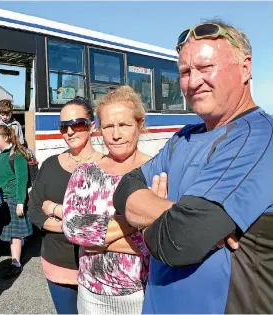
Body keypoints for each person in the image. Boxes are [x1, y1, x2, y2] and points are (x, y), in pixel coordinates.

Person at [113, 20, 273, 314]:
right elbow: (124, 188)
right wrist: (172, 212)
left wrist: (147, 219)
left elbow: (179, 241)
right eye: (185, 72)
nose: (193, 81)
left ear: (246, 68)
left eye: (205, 67)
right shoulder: (183, 138)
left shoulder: (260, 137)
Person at [62, 86, 152, 314]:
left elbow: (161, 241)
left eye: (124, 125)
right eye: (109, 126)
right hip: (91, 296)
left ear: (140, 126)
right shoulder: (84, 173)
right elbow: (73, 229)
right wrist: (135, 222)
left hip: (141, 295)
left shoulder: (157, 171)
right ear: (99, 130)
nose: (116, 134)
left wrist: (96, 242)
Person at [28, 96, 104, 314]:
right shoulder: (50, 164)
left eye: (77, 124)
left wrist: (55, 210)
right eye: (64, 127)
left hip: (97, 268)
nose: (70, 131)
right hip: (57, 265)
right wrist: (75, 224)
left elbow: (104, 221)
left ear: (92, 126)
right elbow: (34, 209)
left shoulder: (106, 165)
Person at [0, 124, 33, 278]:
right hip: (1, 199)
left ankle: (16, 264)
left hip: (14, 198)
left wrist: (21, 202)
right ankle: (17, 251)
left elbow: (22, 180)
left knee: (15, 234)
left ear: (5, 137)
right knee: (8, 232)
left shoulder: (17, 155)